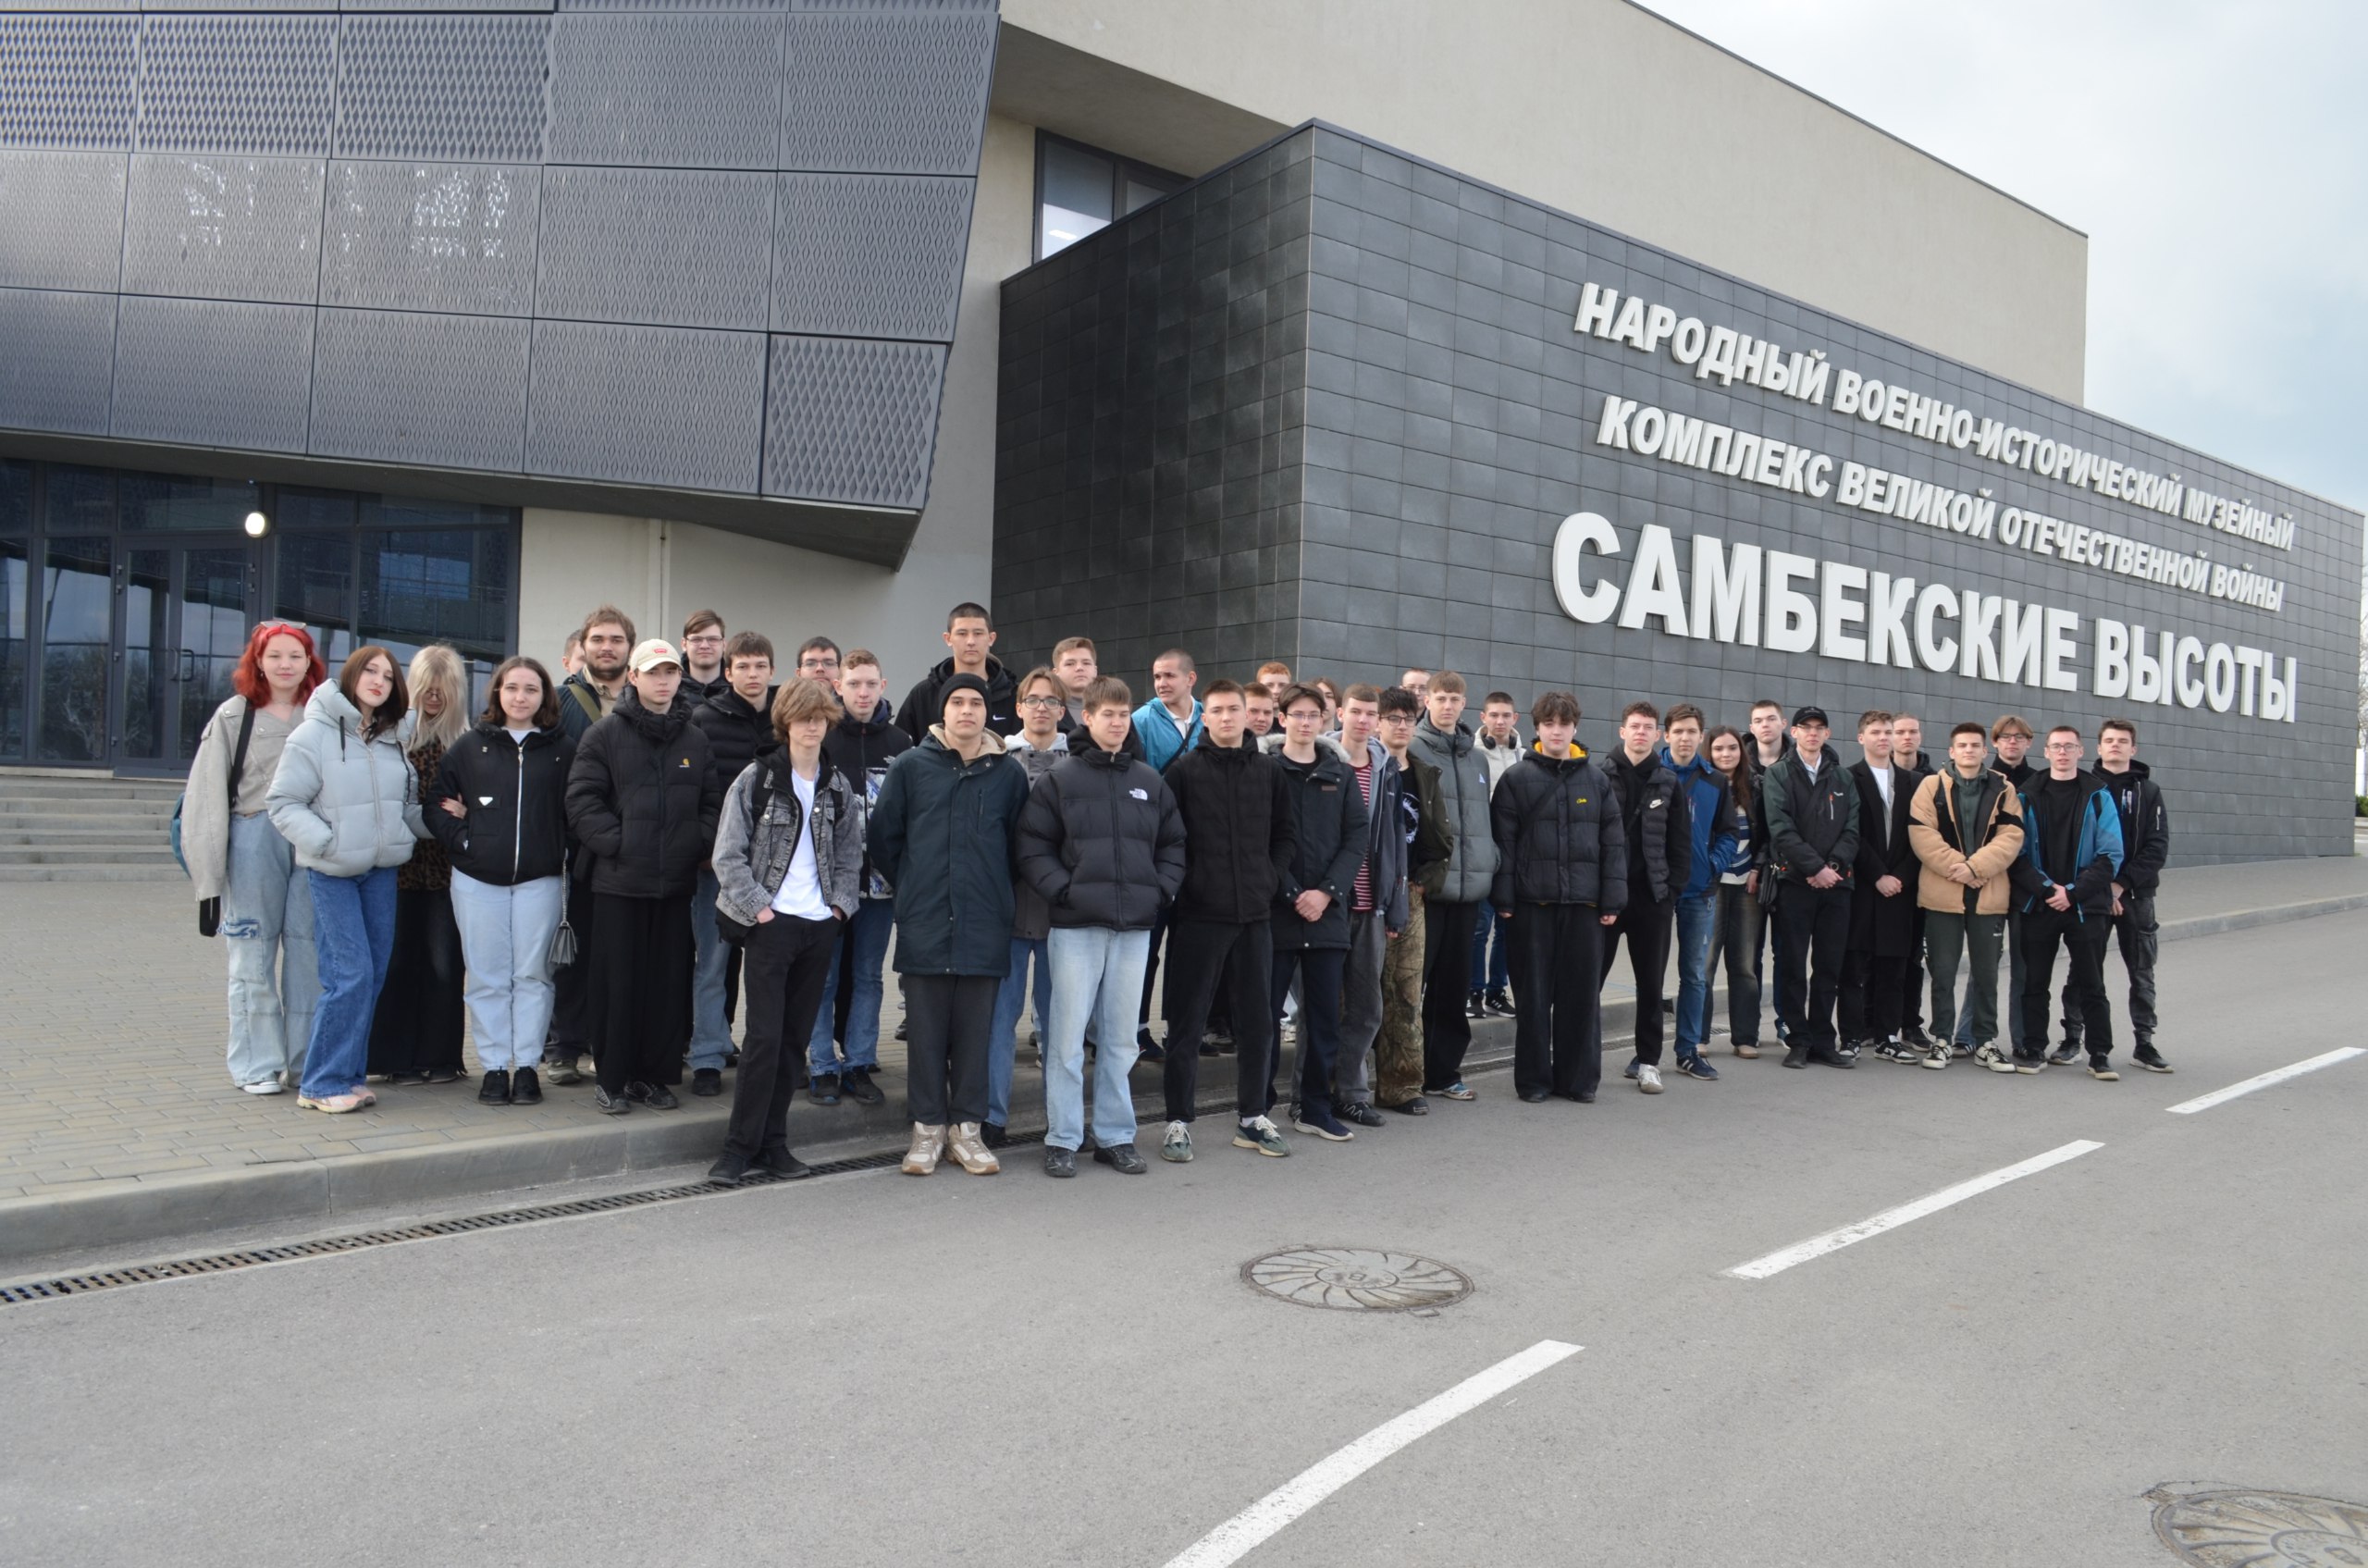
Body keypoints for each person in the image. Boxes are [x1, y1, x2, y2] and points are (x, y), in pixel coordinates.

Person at [1017, 678, 1186, 1178]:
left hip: (1134, 928)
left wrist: (1159, 890)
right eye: (1106, 713)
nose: (1116, 722)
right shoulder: (1060, 779)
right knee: (1066, 1040)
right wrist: (1063, 890)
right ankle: (1062, 1137)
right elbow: (1032, 845)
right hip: (1076, 928)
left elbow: (1174, 844)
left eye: (1123, 713)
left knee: (1120, 1041)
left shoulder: (1149, 780)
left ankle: (1115, 1136)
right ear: (1086, 717)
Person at [870, 673, 1030, 1176]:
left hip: (985, 922)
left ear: (987, 712)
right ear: (943, 711)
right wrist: (914, 886)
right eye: (957, 702)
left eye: (975, 702)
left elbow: (1018, 848)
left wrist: (993, 892)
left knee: (975, 1035)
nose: (966, 710)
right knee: (925, 1034)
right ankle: (926, 1131)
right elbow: (884, 838)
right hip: (926, 920)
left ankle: (967, 1131)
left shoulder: (1008, 774)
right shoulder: (911, 766)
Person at [707, 678, 862, 1185]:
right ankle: (737, 1149)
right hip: (770, 927)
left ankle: (774, 1144)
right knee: (763, 1039)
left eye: (820, 718)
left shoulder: (837, 786)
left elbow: (850, 857)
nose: (812, 726)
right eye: (803, 718)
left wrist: (837, 911)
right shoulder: (757, 779)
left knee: (794, 1041)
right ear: (786, 722)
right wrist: (761, 910)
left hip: (818, 928)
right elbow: (727, 856)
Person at [565, 638, 720, 1115]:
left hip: (674, 886)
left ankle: (652, 1078)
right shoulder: (605, 734)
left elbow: (712, 804)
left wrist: (694, 843)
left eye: (670, 672)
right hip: (618, 885)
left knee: (666, 987)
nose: (663, 680)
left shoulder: (695, 739)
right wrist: (620, 844)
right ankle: (612, 1079)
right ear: (633, 677)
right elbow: (581, 800)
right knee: (617, 987)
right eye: (653, 672)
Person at [266, 647, 423, 1114]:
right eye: (370, 671)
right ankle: (319, 1082)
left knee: (371, 977)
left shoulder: (393, 738)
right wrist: (326, 842)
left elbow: (403, 808)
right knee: (348, 975)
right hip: (333, 873)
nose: (379, 681)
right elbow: (283, 802)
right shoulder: (313, 734)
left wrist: (446, 819)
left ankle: (349, 1076)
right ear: (351, 675)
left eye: (389, 677)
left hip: (380, 872)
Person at [1155, 678, 1297, 1161]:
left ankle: (1253, 1117)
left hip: (1255, 915)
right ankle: (1177, 1121)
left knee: (1258, 1022)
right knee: (1187, 1023)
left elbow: (1285, 835)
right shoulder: (1184, 772)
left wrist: (1269, 879)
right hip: (1199, 916)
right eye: (1216, 710)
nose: (1227, 717)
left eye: (1234, 709)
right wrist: (1189, 885)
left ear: (1247, 714)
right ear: (1205, 717)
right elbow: (1168, 839)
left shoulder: (1268, 771)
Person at [183, 621, 327, 1094]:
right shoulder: (234, 715)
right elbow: (205, 795)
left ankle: (308, 1063)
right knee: (253, 951)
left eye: (295, 656)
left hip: (311, 839)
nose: (286, 664)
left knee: (310, 953)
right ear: (258, 662)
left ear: (309, 662)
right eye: (275, 656)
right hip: (253, 837)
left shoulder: (324, 714)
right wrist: (208, 875)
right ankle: (257, 1065)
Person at [431, 656, 574, 1106]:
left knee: (533, 975)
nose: (520, 697)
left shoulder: (562, 749)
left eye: (531, 689)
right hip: (477, 881)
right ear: (497, 692)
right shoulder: (470, 747)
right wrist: (465, 840)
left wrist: (559, 848)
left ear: (544, 696)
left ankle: (527, 1066)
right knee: (487, 977)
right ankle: (495, 1067)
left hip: (540, 880)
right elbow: (436, 804)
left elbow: (578, 807)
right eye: (512, 687)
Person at [1491, 692, 1624, 1103]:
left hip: (1585, 906)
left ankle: (1578, 1081)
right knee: (1532, 999)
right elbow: (1504, 845)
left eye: (1563, 724)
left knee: (1581, 999)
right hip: (1532, 905)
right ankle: (1534, 1081)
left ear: (1575, 727)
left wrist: (1612, 901)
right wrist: (1504, 899)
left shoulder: (1597, 781)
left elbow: (1613, 845)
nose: (1556, 730)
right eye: (1548, 723)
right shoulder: (1516, 779)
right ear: (1537, 728)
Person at [1266, 684, 1369, 1142]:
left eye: (1314, 715)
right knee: (1266, 1017)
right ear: (1282, 718)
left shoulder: (1340, 774)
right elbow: (1260, 839)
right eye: (1298, 714)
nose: (1306, 722)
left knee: (1325, 1017)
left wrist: (1326, 893)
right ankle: (1257, 1108)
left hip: (1327, 914)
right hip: (1278, 911)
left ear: (1325, 720)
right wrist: (1293, 893)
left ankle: (1314, 1108)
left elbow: (1356, 837)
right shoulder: (1266, 771)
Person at [366, 645, 469, 1085]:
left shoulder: (468, 743)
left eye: (442, 690)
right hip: (397, 867)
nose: (434, 698)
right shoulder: (391, 738)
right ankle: (394, 1059)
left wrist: (468, 814)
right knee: (396, 962)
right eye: (427, 688)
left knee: (445, 965)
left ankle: (441, 1056)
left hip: (449, 870)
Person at [809, 648, 907, 1109]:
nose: (863, 693)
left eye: (871, 684)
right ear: (838, 686)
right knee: (824, 977)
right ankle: (822, 1066)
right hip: (828, 885)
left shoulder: (903, 743)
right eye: (854, 684)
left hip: (881, 886)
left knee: (868, 976)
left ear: (882, 686)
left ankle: (859, 1063)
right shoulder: (824, 737)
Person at [686, 632, 776, 1094]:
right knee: (712, 964)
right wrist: (706, 849)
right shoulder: (704, 718)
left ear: (772, 671)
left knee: (769, 968)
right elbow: (698, 792)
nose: (752, 674)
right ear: (728, 672)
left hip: (777, 869)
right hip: (717, 868)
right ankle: (706, 1055)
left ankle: (766, 1055)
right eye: (743, 666)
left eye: (760, 666)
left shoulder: (784, 718)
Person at [1906, 722, 2025, 1073]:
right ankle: (1942, 1039)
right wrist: (1961, 868)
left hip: (1988, 894)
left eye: (1975, 745)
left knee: (1986, 973)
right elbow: (1922, 834)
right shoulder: (1931, 786)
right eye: (1962, 745)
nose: (1969, 750)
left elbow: (2011, 836)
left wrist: (1976, 869)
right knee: (1942, 972)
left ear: (1985, 751)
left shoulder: (2004, 788)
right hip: (1943, 893)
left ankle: (1985, 1041)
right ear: (1952, 751)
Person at [549, 605, 635, 1084]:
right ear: (583, 646)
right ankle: (565, 1047)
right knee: (573, 950)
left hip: (632, 851)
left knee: (618, 956)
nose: (607, 647)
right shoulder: (558, 702)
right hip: (575, 848)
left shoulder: (647, 698)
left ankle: (609, 1046)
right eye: (598, 639)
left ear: (629, 648)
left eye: (616, 639)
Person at [2059, 718, 2172, 1072]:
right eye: (2109, 740)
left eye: (2122, 741)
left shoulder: (2148, 792)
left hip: (2136, 896)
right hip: (2091, 895)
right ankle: (2072, 1038)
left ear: (2133, 748)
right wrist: (2098, 887)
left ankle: (2144, 1043)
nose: (2115, 746)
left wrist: (2120, 885)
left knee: (2141, 972)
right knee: (2082, 969)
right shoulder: (2084, 787)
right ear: (2098, 747)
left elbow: (2157, 847)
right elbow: (2074, 844)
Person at [2014, 725, 2125, 1081]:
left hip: (2084, 906)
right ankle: (2034, 1047)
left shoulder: (2098, 795)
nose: (2062, 752)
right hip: (2039, 904)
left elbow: (2110, 855)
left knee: (2092, 983)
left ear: (2081, 751)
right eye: (2056, 746)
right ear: (2046, 752)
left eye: (2069, 746)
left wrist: (2073, 893)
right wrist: (2048, 890)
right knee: (2035, 983)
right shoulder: (2026, 795)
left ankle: (2100, 1054)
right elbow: (2014, 853)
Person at [1410, 672, 1497, 1102]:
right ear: (1427, 701)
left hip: (1468, 892)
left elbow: (1484, 820)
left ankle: (1443, 1073)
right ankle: (1404, 1073)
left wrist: (1490, 861)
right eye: (1440, 698)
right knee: (1410, 988)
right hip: (1427, 890)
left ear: (1465, 704)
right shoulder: (1412, 748)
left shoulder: (1477, 758)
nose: (1447, 706)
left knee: (1453, 988)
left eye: (1455, 699)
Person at [991, 667, 1068, 1144]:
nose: (1042, 708)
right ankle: (992, 1118)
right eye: (1034, 700)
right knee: (1000, 1022)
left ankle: (1061, 1121)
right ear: (1019, 707)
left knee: (1060, 1027)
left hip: (1063, 913)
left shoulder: (1078, 762)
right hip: (1007, 908)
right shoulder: (996, 760)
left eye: (1051, 701)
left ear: (1063, 709)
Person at [1329, 685, 1410, 1128]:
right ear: (1340, 713)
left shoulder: (1386, 770)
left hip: (1370, 906)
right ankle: (1312, 1095)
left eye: (1370, 714)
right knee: (1322, 1007)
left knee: (1366, 1008)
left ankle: (1352, 1094)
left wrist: (1395, 903)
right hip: (1327, 904)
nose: (1362, 720)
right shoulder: (1323, 761)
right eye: (1355, 712)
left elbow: (1395, 842)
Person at [1763, 706, 1859, 1069]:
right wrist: (1814, 867)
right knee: (1792, 965)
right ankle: (1798, 1041)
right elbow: (1780, 828)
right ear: (1795, 732)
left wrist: (1831, 868)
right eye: (1806, 727)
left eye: (1820, 728)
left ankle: (1823, 1041)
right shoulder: (1778, 773)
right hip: (1795, 883)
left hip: (1837, 885)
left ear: (1828, 734)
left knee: (1828, 967)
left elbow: (1852, 829)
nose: (1813, 733)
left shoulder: (1842, 777)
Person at [1603, 702, 1689, 1093]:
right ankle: (1580, 1058)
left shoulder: (1668, 781)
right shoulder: (1599, 775)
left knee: (1651, 986)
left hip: (1652, 899)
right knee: (1588, 982)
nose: (1641, 732)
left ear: (1658, 735)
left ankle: (1648, 1062)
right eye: (1634, 726)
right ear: (1622, 731)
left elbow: (1680, 844)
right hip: (1606, 899)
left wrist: (1670, 893)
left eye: (1648, 727)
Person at [1374, 686, 1451, 1114]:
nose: (1401, 726)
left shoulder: (1424, 773)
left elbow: (1442, 839)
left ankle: (1402, 1086)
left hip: (1411, 895)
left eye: (1408, 719)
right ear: (1378, 722)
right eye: (1393, 718)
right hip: (1366, 894)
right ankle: (1344, 1087)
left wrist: (1424, 883)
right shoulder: (1365, 767)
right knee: (1357, 995)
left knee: (1405, 994)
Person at [1130, 648, 1204, 1058]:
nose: (1161, 683)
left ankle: (1183, 1029)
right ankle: (1137, 1030)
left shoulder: (1209, 718)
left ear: (1190, 679)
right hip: (1155, 851)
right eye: (1157, 676)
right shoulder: (1141, 720)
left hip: (1201, 851)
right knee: (1148, 947)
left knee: (1188, 949)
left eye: (1170, 675)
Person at [1662, 705, 1739, 1080]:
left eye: (1691, 731)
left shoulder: (1715, 781)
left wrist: (1713, 864)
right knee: (1651, 973)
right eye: (1678, 731)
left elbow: (1729, 832)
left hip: (1699, 890)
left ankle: (1688, 1050)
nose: (1685, 737)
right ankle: (1646, 1053)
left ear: (1700, 736)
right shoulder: (1652, 774)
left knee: (1694, 974)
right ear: (1666, 735)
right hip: (1657, 890)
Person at [1955, 715, 2038, 1059]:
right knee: (1984, 965)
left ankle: (2022, 1039)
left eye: (2019, 737)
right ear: (1994, 743)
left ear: (2029, 742)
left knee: (2023, 967)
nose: (2012, 742)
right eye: (2005, 736)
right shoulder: (1983, 780)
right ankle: (1967, 1034)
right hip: (1987, 881)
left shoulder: (2038, 782)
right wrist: (1980, 869)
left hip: (2025, 889)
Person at [1841, 710, 1918, 1065]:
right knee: (1853, 968)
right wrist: (1877, 875)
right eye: (1876, 732)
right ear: (1861, 738)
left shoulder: (1914, 782)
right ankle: (1851, 1036)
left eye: (1888, 732)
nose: (1884, 737)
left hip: (1900, 889)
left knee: (1893, 970)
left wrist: (1900, 876)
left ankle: (1888, 1037)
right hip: (1862, 886)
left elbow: (1921, 835)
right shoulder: (1847, 778)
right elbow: (1850, 832)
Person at [1704, 725, 1765, 1057]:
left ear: (1741, 752)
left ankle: (1745, 1038)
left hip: (1747, 885)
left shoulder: (1756, 786)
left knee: (1744, 966)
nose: (1725, 754)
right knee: (1704, 965)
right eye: (1718, 749)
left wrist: (1757, 867)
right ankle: (1698, 1037)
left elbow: (1767, 834)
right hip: (1710, 884)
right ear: (1709, 752)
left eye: (1732, 748)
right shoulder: (1701, 784)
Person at [1466, 690, 1523, 1019]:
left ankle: (1496, 993)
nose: (1500, 721)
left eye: (1506, 715)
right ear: (1483, 717)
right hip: (1481, 854)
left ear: (1515, 719)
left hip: (1513, 855)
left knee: (1507, 927)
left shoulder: (1524, 757)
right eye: (1494, 715)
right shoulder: (1471, 754)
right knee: (1479, 927)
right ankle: (1472, 991)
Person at [898, 601, 1019, 744]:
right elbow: (902, 748)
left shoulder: (1015, 696)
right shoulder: (923, 695)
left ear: (991, 638)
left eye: (978, 633)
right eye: (962, 634)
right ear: (948, 639)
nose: (970, 641)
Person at [1887, 713, 1937, 1051]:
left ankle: (1910, 1024)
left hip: (1918, 879)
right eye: (1900, 731)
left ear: (1920, 736)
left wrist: (1905, 873)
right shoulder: (1877, 773)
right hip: (1878, 878)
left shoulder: (1933, 780)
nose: (1907, 737)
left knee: (1912, 956)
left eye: (1912, 731)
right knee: (1876, 956)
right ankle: (1874, 1022)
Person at [679, 610, 729, 704]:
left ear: (724, 645)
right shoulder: (670, 691)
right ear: (684, 644)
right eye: (696, 639)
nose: (704, 646)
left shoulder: (739, 690)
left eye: (713, 639)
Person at [1053, 636, 1099, 732]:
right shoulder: (1044, 711)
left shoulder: (1116, 709)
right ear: (1056, 673)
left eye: (1086, 663)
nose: (1079, 668)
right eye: (1070, 664)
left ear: (1095, 671)